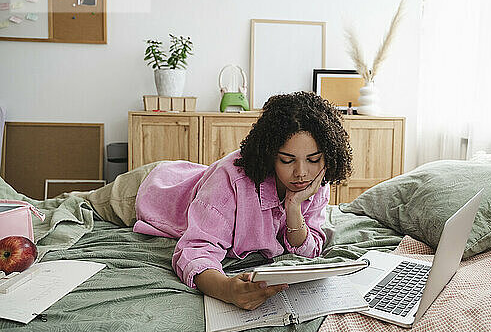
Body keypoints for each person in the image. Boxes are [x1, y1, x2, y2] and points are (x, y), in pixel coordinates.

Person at [79, 91, 353, 310]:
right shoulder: (232, 180)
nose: (301, 172)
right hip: (152, 189)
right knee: (79, 203)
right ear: (270, 155)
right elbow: (195, 250)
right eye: (287, 160)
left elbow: (311, 248)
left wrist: (294, 208)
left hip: (197, 181)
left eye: (313, 159)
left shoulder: (314, 181)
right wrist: (227, 289)